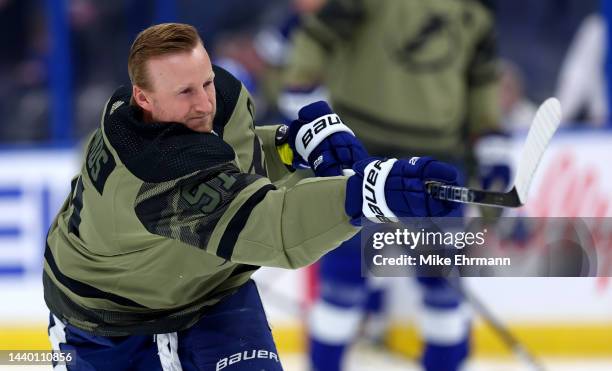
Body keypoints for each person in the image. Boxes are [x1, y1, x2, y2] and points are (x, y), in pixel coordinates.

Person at [43, 22, 460, 370]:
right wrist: (369, 195)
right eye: (185, 93)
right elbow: (270, 226)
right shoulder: (149, 178)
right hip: (107, 323)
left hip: (211, 293)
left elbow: (232, 157)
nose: (204, 102)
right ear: (143, 99)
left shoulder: (215, 101)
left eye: (205, 81)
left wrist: (291, 146)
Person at [280, 1, 509, 370]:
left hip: (437, 161)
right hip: (359, 153)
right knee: (343, 286)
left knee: (443, 292)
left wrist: (491, 143)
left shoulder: (476, 12)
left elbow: (482, 81)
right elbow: (316, 37)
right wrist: (304, 88)